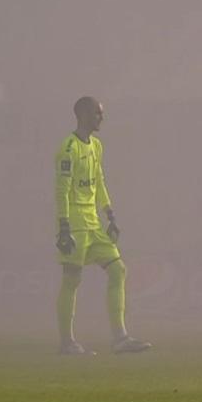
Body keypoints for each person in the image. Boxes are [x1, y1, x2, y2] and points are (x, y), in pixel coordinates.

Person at [54, 96, 152, 355]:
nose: (101, 118)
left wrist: (111, 215)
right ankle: (67, 342)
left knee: (118, 270)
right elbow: (62, 190)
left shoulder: (97, 146)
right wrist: (63, 227)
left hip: (94, 223)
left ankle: (120, 338)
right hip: (75, 224)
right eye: (97, 113)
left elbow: (100, 181)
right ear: (83, 114)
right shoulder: (68, 147)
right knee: (71, 280)